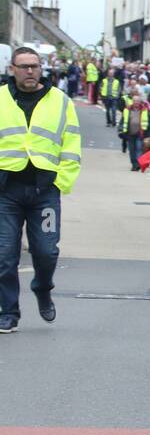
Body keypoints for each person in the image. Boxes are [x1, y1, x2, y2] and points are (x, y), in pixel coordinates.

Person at [0, 47, 81, 333]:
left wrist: (62, 181)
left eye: (34, 66)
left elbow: (71, 143)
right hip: (6, 191)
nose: (30, 71)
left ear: (41, 68)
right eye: (24, 67)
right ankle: (8, 312)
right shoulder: (0, 99)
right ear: (13, 69)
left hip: (44, 191)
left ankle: (42, 287)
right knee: (4, 254)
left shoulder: (60, 101)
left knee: (46, 251)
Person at [120, 88, 150, 171]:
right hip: (130, 133)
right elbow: (122, 121)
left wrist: (148, 133)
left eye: (137, 101)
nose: (136, 102)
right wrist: (121, 130)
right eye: (135, 101)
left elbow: (149, 121)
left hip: (140, 133)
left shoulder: (144, 110)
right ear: (132, 101)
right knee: (131, 150)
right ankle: (134, 164)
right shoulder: (127, 109)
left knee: (138, 149)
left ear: (140, 102)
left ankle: (137, 164)